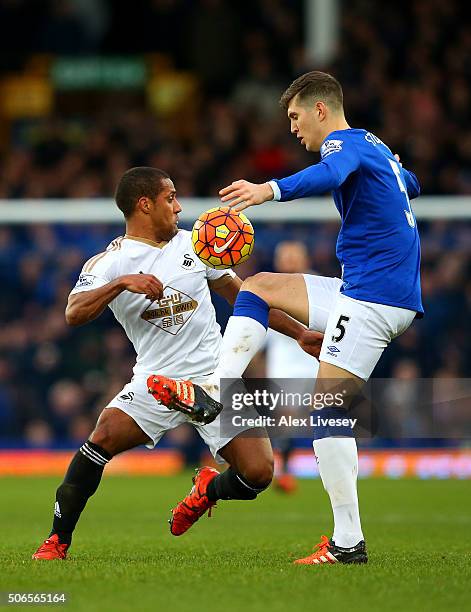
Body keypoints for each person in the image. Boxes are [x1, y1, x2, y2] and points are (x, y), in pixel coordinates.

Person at [151, 72, 423, 565]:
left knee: (327, 416)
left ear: (321, 110)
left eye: (296, 117)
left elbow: (330, 176)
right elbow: (413, 184)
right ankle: (217, 386)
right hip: (364, 291)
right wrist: (394, 172)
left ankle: (347, 544)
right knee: (256, 287)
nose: (294, 129)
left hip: (374, 299)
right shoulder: (373, 146)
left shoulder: (342, 144)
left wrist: (267, 191)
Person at [32, 166, 323, 560]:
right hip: (156, 382)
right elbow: (73, 312)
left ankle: (206, 490)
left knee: (258, 475)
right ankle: (56, 540)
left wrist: (300, 333)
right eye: (171, 198)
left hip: (213, 378)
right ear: (145, 204)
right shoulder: (110, 263)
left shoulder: (195, 245)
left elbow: (243, 298)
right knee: (100, 439)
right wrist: (121, 284)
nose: (179, 206)